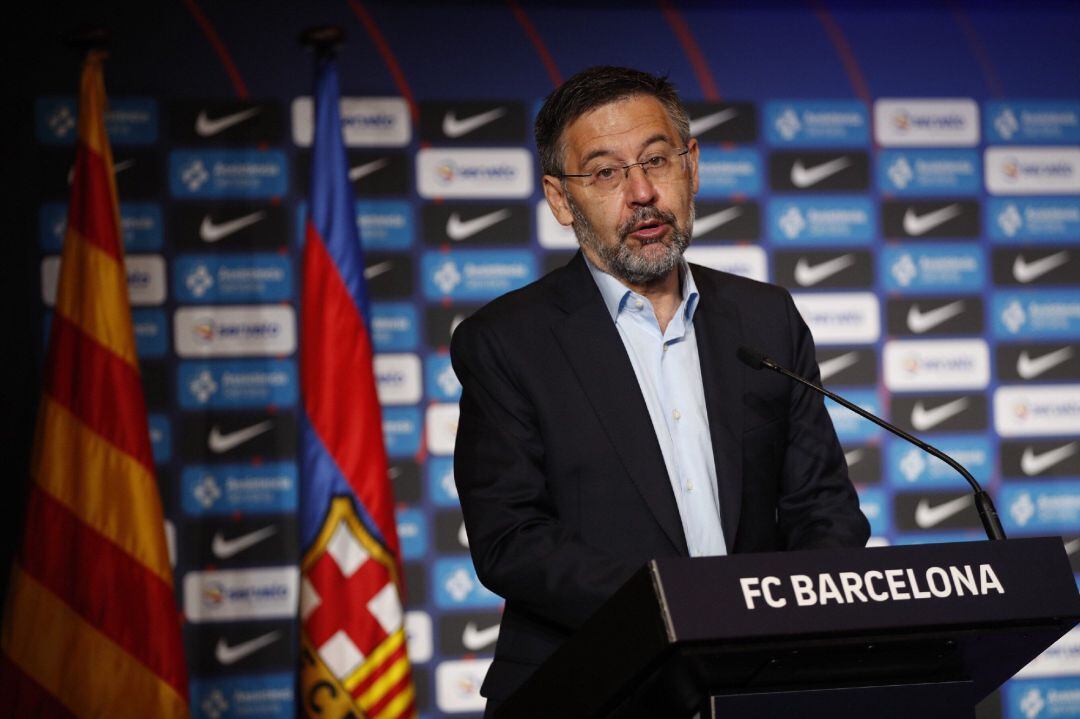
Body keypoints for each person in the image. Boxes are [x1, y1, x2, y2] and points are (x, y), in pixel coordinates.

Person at [449, 65, 870, 711]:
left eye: (656, 160)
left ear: (691, 166)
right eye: (606, 172)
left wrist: (779, 627)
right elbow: (512, 538)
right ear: (562, 199)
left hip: (760, 684)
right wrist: (690, 608)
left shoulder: (764, 318)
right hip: (591, 688)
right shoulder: (506, 341)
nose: (642, 191)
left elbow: (826, 510)